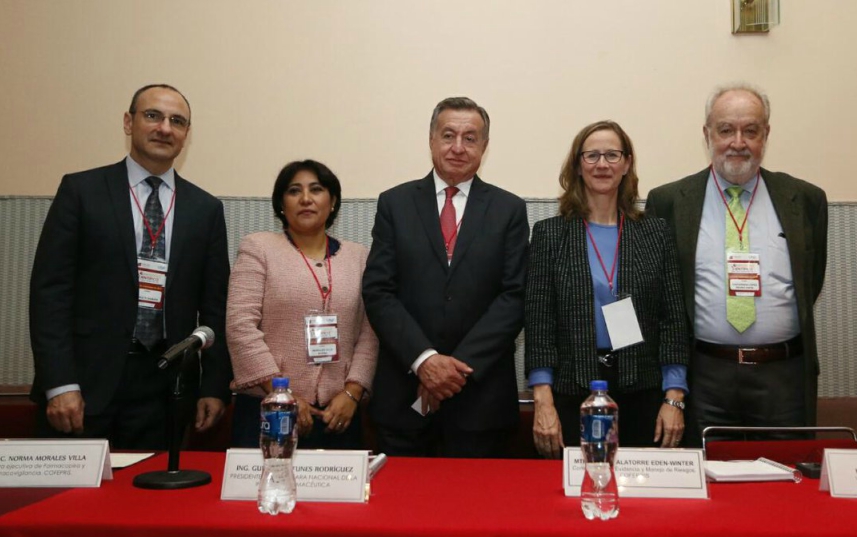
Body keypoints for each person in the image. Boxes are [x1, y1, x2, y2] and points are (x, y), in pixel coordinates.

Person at [28, 84, 231, 450]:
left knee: (149, 503)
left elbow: (215, 307)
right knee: (72, 505)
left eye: (177, 121)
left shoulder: (206, 209)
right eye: (153, 116)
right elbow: (50, 293)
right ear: (128, 122)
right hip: (84, 385)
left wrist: (214, 387)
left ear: (186, 134)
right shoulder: (81, 191)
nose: (165, 128)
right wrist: (59, 383)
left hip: (166, 390)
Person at [645, 84, 828, 439]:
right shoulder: (669, 202)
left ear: (766, 135)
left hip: (783, 378)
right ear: (707, 134)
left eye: (751, 130)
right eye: (726, 130)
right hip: (705, 376)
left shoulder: (804, 200)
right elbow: (665, 297)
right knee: (710, 485)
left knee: (784, 483)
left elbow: (811, 280)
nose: (738, 142)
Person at [362, 96, 529, 458]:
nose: (458, 147)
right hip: (405, 398)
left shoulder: (509, 210)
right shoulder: (395, 203)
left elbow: (514, 297)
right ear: (431, 140)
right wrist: (424, 360)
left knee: (477, 510)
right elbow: (378, 292)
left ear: (484, 146)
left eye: (470, 138)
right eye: (448, 135)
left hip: (480, 403)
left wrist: (455, 370)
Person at [524, 121, 690, 458]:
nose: (602, 164)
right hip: (572, 392)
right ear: (578, 165)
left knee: (643, 498)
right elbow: (539, 324)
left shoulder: (655, 233)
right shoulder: (550, 235)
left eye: (612, 155)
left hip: (643, 392)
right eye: (592, 156)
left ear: (627, 163)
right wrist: (543, 402)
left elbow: (673, 320)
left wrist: (674, 397)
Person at [227, 159, 378, 449]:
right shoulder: (258, 248)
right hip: (269, 412)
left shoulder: (360, 257)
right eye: (294, 191)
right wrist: (280, 393)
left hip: (339, 414)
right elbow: (240, 326)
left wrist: (352, 393)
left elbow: (370, 333)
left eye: (316, 189)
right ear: (281, 203)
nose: (306, 199)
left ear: (332, 201)